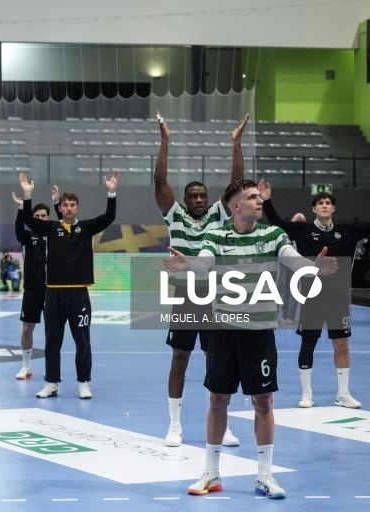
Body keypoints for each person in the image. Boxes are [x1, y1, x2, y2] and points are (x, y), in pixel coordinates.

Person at [164, 178, 338, 499]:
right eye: (252, 197)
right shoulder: (216, 235)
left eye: (259, 197)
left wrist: (313, 266)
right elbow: (204, 264)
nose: (260, 201)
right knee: (218, 399)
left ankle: (265, 475)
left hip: (259, 334)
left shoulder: (273, 234)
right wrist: (189, 264)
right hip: (224, 332)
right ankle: (212, 473)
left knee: (263, 402)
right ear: (235, 206)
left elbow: (292, 260)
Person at [155, 113, 249, 448]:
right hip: (185, 297)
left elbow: (237, 185)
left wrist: (236, 145)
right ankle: (174, 425)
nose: (198, 199)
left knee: (219, 361)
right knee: (180, 358)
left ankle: (222, 425)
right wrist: (165, 142)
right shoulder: (174, 214)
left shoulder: (218, 215)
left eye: (202, 196)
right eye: (192, 195)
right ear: (185, 198)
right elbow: (159, 182)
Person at [259, 181, 370, 409]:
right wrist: (267, 200)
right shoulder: (303, 230)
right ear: (313, 209)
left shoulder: (348, 231)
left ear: (334, 209)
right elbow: (278, 224)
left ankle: (343, 393)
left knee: (342, 344)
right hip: (312, 296)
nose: (325, 205)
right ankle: (307, 394)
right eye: (320, 203)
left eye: (328, 203)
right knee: (308, 343)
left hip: (339, 299)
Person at [20, 171, 118, 400]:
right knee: (52, 341)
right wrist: (27, 195)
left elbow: (109, 217)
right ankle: (52, 383)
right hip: (53, 294)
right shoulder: (51, 229)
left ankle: (84, 382)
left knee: (82, 340)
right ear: (60, 208)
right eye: (65, 205)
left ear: (78, 208)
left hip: (79, 294)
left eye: (73, 205)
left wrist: (111, 192)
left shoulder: (87, 228)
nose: (69, 208)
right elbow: (28, 220)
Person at [11, 191, 52, 380]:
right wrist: (22, 207)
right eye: (37, 216)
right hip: (32, 289)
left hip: (53, 289)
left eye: (44, 216)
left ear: (49, 218)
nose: (41, 219)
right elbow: (19, 228)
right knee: (27, 328)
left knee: (53, 329)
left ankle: (52, 368)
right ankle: (26, 366)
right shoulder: (28, 237)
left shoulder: (55, 235)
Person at [277, 212, 307, 325]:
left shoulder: (306, 234)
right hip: (283, 263)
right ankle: (276, 314)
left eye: (300, 223)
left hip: (297, 263)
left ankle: (289, 316)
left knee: (293, 290)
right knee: (280, 287)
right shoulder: (285, 232)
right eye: (296, 223)